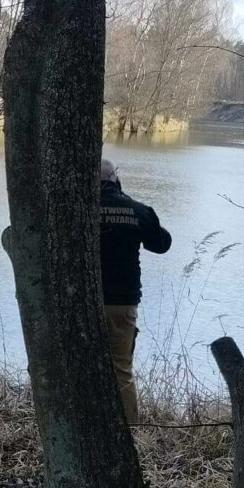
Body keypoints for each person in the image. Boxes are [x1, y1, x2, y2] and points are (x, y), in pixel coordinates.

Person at [99, 158, 171, 423]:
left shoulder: (74, 208)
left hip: (80, 300)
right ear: (115, 179)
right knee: (121, 368)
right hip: (122, 301)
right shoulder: (136, 210)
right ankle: (129, 429)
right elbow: (162, 244)